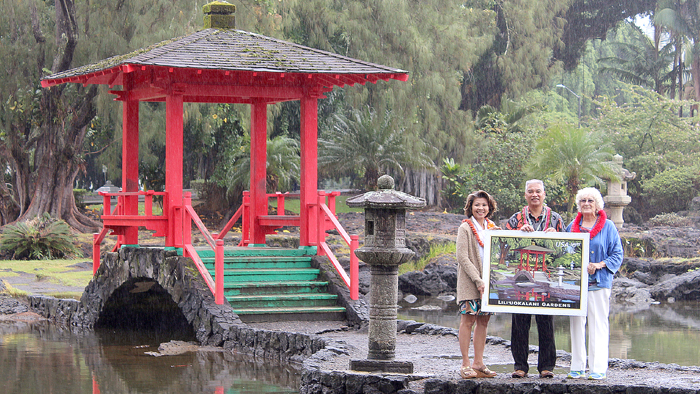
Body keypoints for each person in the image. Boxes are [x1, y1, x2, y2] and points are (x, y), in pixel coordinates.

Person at [505, 179, 564, 379]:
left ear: (544, 194)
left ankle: (546, 366)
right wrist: (517, 233)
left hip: (544, 275)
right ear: (525, 195)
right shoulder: (515, 219)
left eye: (538, 191)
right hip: (522, 275)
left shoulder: (555, 219)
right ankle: (520, 365)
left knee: (546, 322)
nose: (534, 195)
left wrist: (556, 235)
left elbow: (565, 246)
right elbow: (504, 242)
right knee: (520, 322)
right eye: (530, 191)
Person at [566, 187, 623, 380]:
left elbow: (617, 254)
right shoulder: (571, 227)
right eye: (583, 201)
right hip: (575, 285)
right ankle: (577, 366)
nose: (587, 203)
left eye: (591, 200)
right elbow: (563, 253)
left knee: (598, 324)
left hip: (599, 282)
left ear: (597, 204)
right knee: (576, 324)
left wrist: (599, 265)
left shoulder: (608, 227)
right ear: (579, 205)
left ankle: (598, 368)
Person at [456, 190, 500, 379]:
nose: (480, 208)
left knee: (483, 321)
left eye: (484, 205)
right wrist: (477, 280)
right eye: (477, 205)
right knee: (468, 320)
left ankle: (479, 363)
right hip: (470, 283)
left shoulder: (492, 227)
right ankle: (466, 363)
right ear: (470, 207)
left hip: (488, 283)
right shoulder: (465, 227)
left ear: (489, 207)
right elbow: (462, 257)